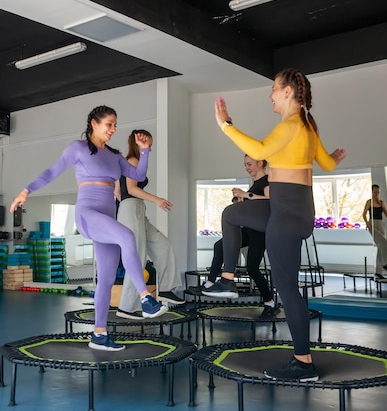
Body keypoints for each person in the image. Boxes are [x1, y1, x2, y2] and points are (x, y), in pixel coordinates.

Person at [213, 68, 346, 381]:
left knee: (287, 289)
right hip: (285, 207)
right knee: (231, 215)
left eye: (274, 88)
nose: (270, 94)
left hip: (287, 214)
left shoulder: (291, 124)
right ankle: (228, 279)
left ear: (288, 92)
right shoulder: (307, 125)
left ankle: (303, 363)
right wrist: (335, 158)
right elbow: (325, 163)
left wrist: (226, 125)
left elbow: (258, 151)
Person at [9, 105, 167, 352]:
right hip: (87, 215)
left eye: (115, 124)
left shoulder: (115, 156)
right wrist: (26, 190)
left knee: (105, 278)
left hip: (106, 217)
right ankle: (146, 298)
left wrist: (145, 150)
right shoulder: (78, 148)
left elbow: (138, 173)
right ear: (94, 122)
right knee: (127, 236)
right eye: (109, 124)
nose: (113, 129)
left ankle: (99, 334)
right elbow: (53, 171)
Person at [114, 129, 185, 320]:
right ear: (140, 142)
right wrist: (156, 200)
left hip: (135, 211)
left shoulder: (132, 162)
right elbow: (129, 189)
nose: (150, 149)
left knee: (163, 244)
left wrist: (139, 214)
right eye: (149, 145)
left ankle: (166, 289)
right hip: (131, 210)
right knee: (137, 258)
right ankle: (126, 307)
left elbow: (118, 191)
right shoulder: (132, 160)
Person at [200, 155, 279, 318]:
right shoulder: (255, 185)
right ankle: (211, 282)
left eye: (249, 164)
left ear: (260, 163)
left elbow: (271, 201)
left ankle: (270, 303)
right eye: (245, 165)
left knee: (252, 268)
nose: (247, 168)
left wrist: (247, 195)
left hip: (260, 232)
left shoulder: (267, 181)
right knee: (220, 245)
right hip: (249, 230)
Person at [361, 185, 387, 279]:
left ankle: (378, 272)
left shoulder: (381, 202)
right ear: (372, 192)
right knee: (383, 242)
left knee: (380, 246)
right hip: (372, 223)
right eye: (375, 192)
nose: (376, 194)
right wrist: (367, 223)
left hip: (381, 224)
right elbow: (364, 214)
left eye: (378, 192)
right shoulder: (369, 202)